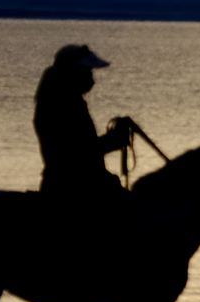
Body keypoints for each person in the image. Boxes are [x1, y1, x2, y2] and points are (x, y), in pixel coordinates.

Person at [33, 44, 135, 208]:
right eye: (88, 72)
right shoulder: (65, 105)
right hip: (75, 189)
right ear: (73, 73)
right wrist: (113, 140)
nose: (92, 79)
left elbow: (82, 148)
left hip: (68, 184)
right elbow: (77, 152)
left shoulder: (58, 100)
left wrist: (111, 141)